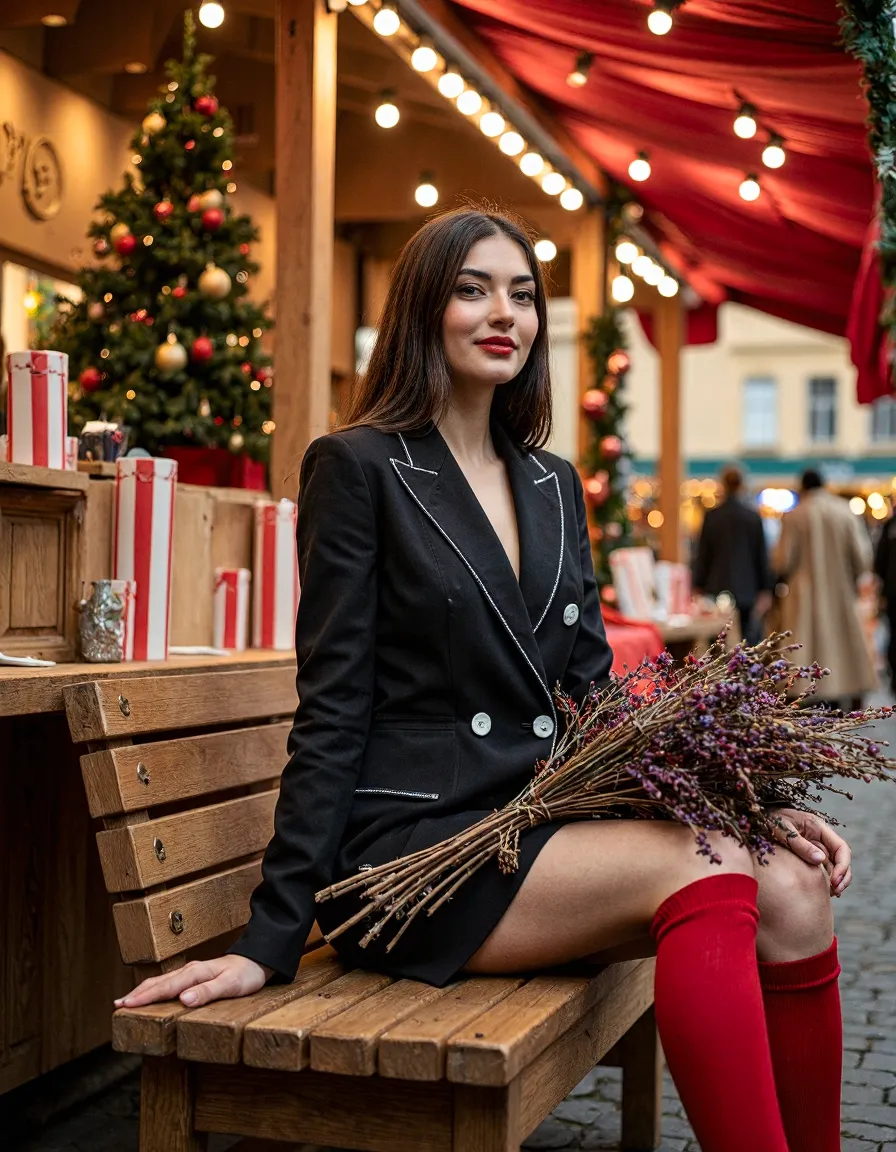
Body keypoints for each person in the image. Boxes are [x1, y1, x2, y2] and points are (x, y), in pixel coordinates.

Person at [117, 209, 848, 1152]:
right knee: (703, 861)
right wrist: (271, 936)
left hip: (537, 830)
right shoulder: (359, 467)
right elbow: (333, 709)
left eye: (522, 293)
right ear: (427, 307)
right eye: (472, 289)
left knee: (793, 884)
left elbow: (593, 704)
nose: (502, 313)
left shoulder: (550, 481)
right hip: (413, 853)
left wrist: (751, 806)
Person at [776, 468, 877, 710]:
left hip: (803, 594)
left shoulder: (794, 516)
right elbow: (863, 558)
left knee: (804, 643)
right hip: (841, 589)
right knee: (844, 640)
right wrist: (851, 577)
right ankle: (850, 691)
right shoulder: (844, 511)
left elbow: (782, 560)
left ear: (803, 487)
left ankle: (801, 694)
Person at [692, 464, 773, 645]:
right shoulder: (752, 517)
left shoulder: (713, 517)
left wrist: (698, 584)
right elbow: (761, 556)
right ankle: (744, 674)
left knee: (717, 643)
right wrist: (766, 588)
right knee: (746, 642)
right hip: (747, 588)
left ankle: (720, 674)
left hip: (716, 586)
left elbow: (703, 554)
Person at [874, 504, 896, 690]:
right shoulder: (890, 526)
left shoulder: (890, 526)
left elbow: (878, 562)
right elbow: (879, 561)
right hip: (892, 592)